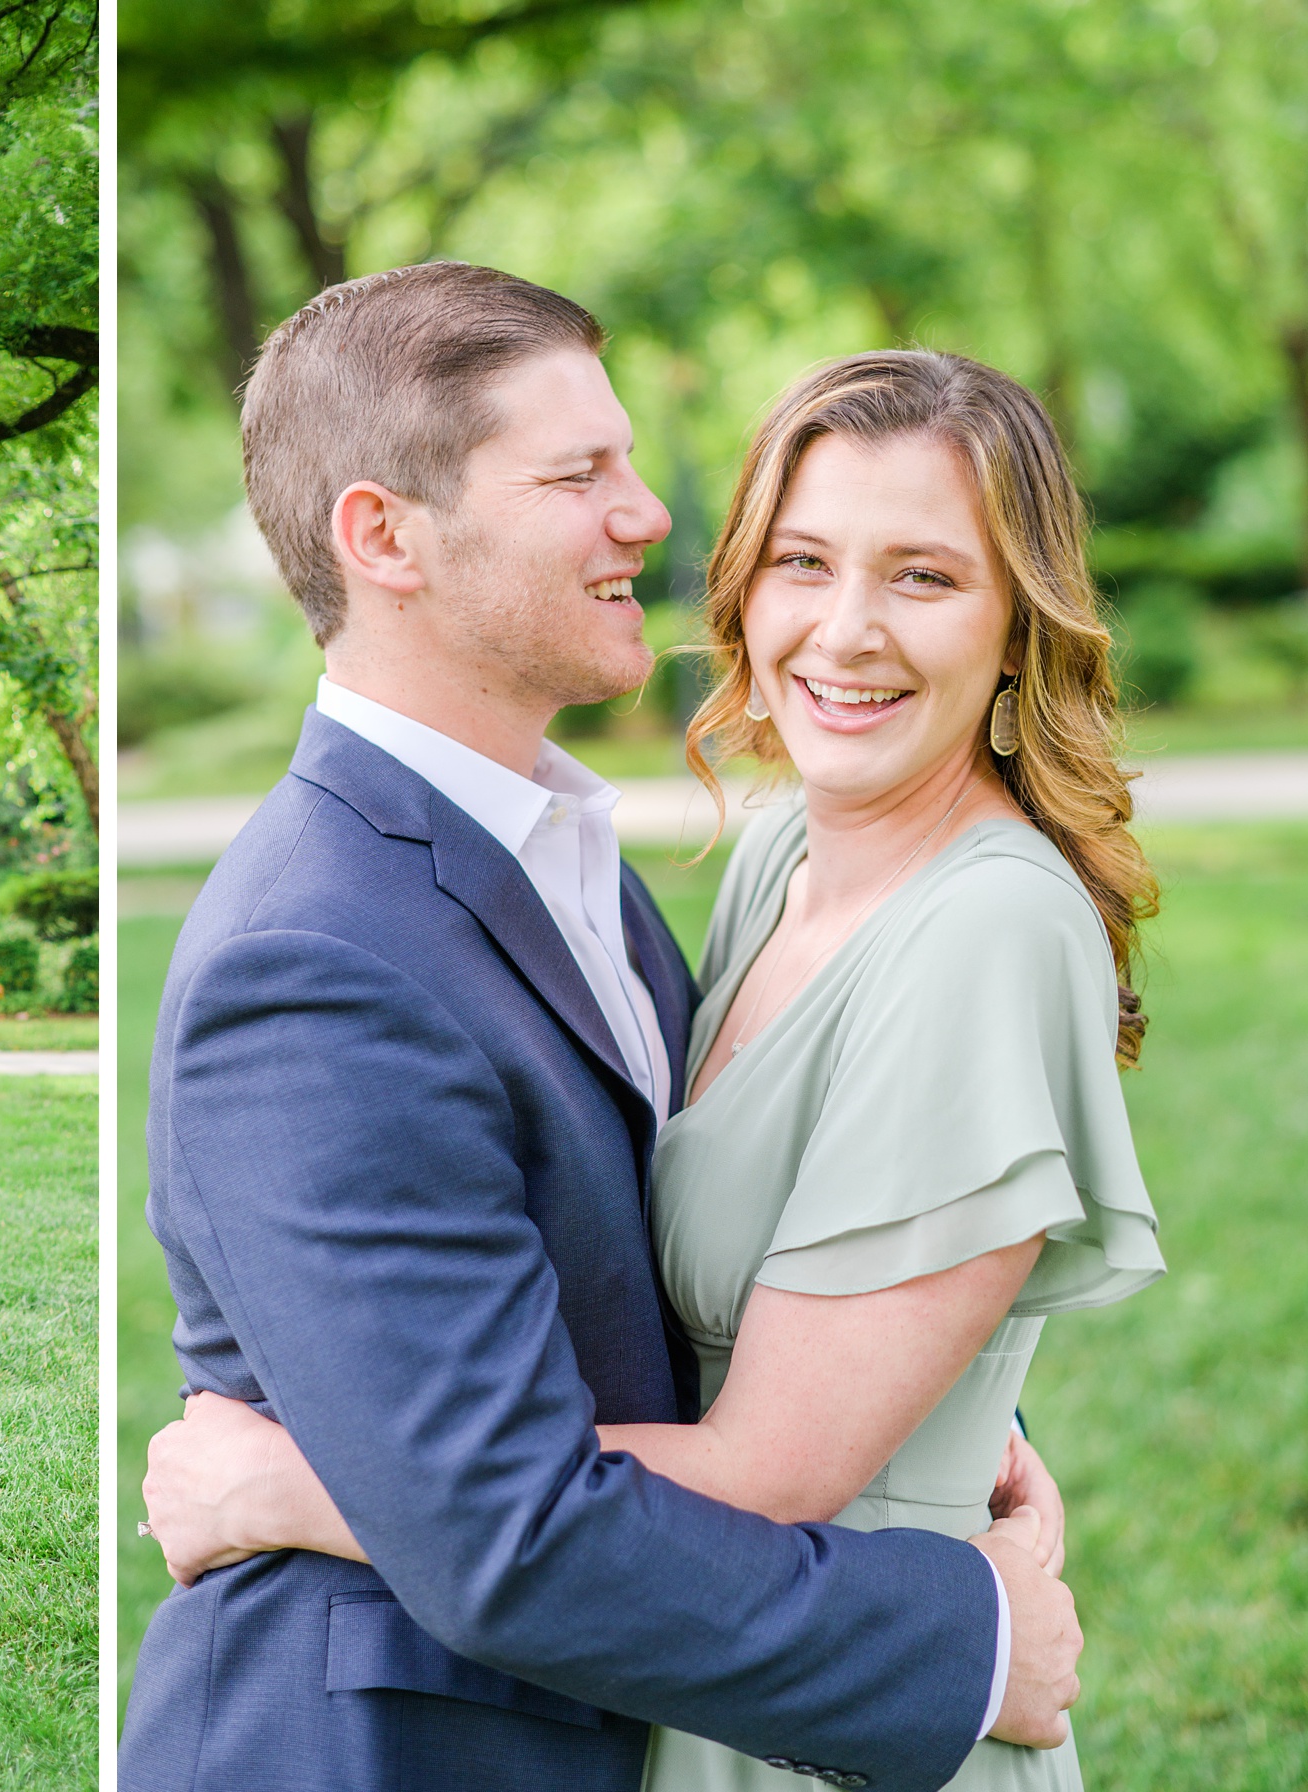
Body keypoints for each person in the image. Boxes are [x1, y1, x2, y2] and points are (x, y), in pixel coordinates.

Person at [119, 264, 1090, 1792]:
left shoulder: (577, 865)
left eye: (630, 462)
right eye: (580, 474)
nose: (651, 515)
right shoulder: (316, 957)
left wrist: (951, 1417)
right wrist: (965, 1635)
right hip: (394, 1747)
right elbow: (503, 1535)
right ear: (384, 538)